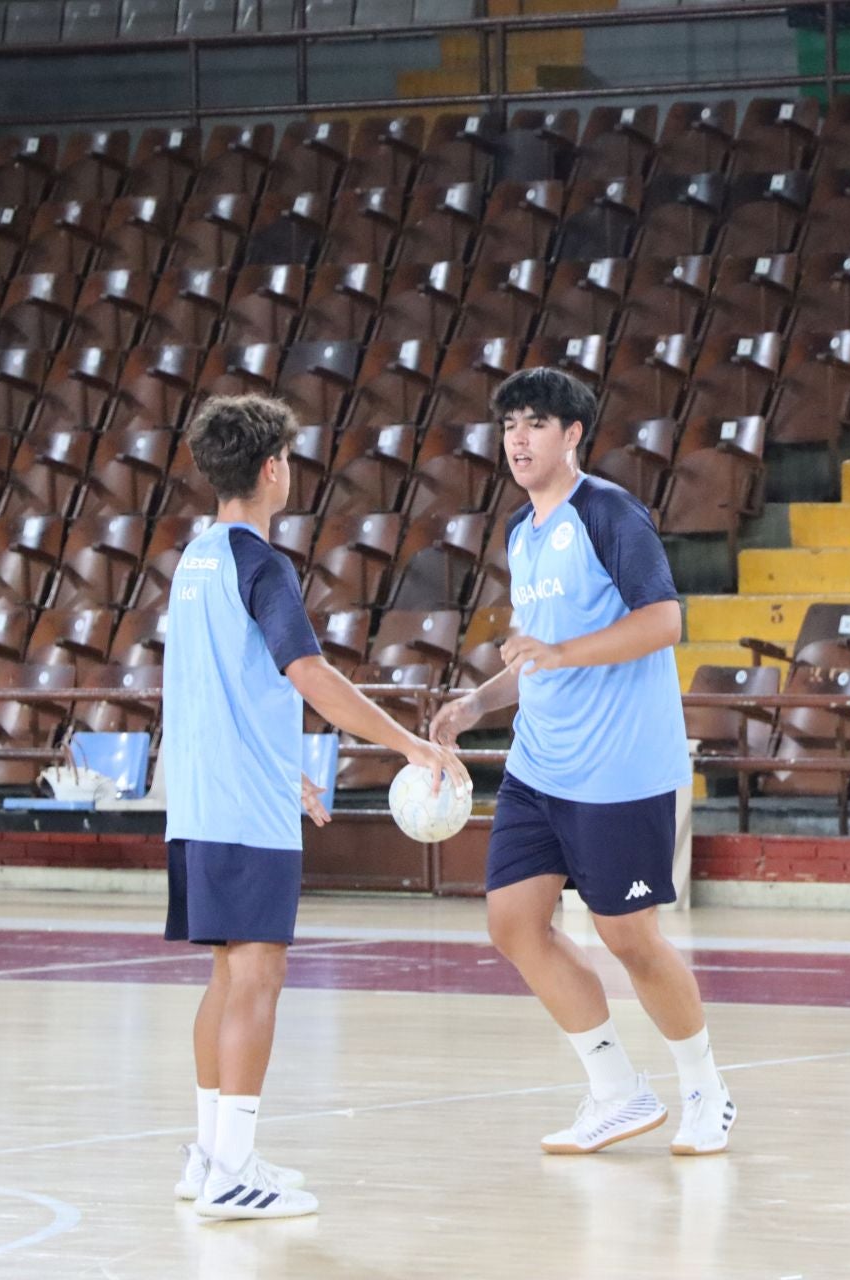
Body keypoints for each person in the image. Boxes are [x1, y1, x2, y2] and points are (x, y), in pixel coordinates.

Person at [164, 394, 468, 1218]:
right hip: (239, 812)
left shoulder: (192, 561)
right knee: (258, 973)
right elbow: (312, 677)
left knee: (228, 973)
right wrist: (411, 745)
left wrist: (277, 768)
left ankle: (210, 1158)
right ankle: (232, 1173)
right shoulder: (259, 564)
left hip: (198, 802)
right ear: (272, 469)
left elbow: (209, 690)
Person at [429, 367, 736, 1156]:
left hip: (621, 769)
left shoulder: (609, 513)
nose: (519, 439)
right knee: (513, 922)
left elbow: (664, 621)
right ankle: (617, 1093)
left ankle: (706, 1089)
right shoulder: (520, 532)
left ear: (573, 436)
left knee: (628, 935)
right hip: (541, 766)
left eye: (536, 424)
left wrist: (562, 653)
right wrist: (477, 705)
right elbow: (539, 656)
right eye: (509, 427)